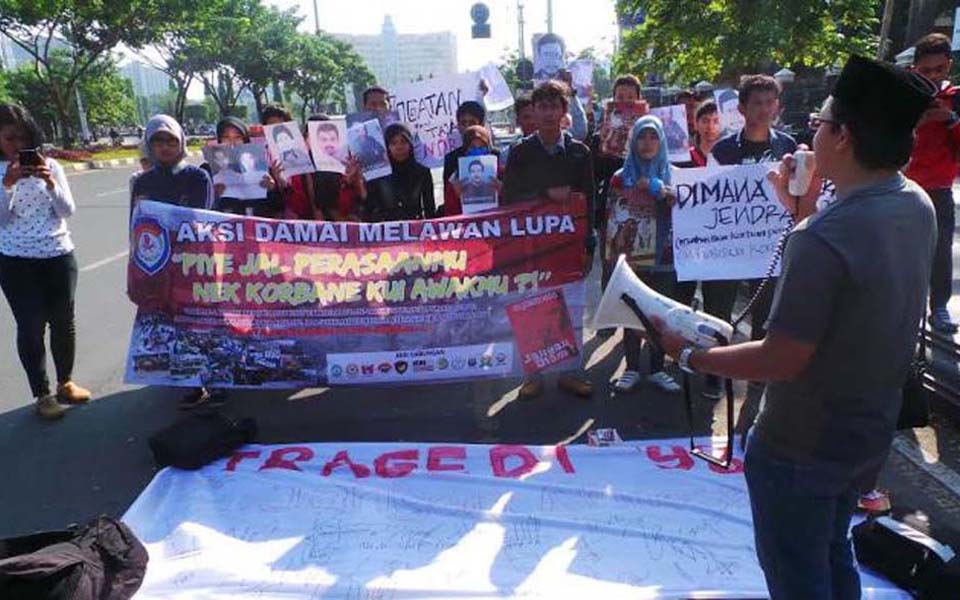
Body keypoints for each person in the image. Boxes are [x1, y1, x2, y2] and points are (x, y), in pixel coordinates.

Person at [654, 55, 937, 599]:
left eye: (821, 124)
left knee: (798, 576)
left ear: (843, 137)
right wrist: (801, 210)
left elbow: (781, 358)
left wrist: (690, 356)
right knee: (834, 551)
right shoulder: (915, 204)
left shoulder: (824, 236)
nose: (813, 136)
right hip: (867, 433)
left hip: (799, 446)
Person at [502, 80, 595, 399]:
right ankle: (533, 375)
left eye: (554, 106)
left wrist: (589, 246)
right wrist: (544, 195)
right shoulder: (520, 152)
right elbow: (509, 199)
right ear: (534, 111)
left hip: (570, 246)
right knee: (531, 307)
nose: (547, 112)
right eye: (541, 106)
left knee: (572, 307)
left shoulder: (580, 152)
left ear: (564, 111)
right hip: (532, 247)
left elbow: (589, 202)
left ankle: (570, 372)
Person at [0, 103, 90, 419]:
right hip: (16, 260)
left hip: (59, 254)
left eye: (24, 138)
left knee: (64, 321)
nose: (19, 146)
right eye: (11, 139)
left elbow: (67, 211)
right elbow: (1, 219)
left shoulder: (51, 165)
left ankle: (66, 382)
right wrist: (7, 186)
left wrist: (50, 182)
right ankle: (42, 394)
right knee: (31, 325)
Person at [131, 115, 215, 410]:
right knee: (170, 322)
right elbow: (137, 226)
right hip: (159, 265)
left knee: (201, 322)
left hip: (194, 263)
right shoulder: (142, 181)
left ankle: (213, 377)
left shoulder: (197, 177)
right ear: (149, 145)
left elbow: (199, 219)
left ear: (180, 142)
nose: (165, 147)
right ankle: (189, 382)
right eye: (157, 141)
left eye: (170, 140)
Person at [604, 115, 693, 393]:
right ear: (633, 141)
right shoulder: (621, 178)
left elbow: (689, 210)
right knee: (633, 313)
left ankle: (656, 368)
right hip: (632, 258)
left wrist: (665, 193)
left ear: (662, 141)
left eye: (653, 136)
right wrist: (612, 257)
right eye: (642, 136)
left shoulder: (675, 175)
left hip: (666, 257)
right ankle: (631, 368)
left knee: (660, 314)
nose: (647, 143)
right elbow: (611, 217)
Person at [906, 33, 960, 333]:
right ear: (914, 69)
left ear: (948, 67)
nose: (933, 77)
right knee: (900, 249)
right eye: (926, 71)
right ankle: (902, 305)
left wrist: (951, 119)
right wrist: (915, 121)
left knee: (939, 249)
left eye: (939, 70)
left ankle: (938, 305)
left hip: (938, 187)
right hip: (903, 185)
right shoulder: (903, 97)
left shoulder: (956, 98)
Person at [199, 117, 281, 218]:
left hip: (256, 228)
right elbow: (200, 210)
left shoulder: (261, 167)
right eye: (226, 137)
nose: (232, 142)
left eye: (237, 137)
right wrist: (214, 194)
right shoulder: (207, 170)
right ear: (219, 140)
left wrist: (272, 189)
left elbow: (277, 208)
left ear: (245, 140)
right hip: (224, 228)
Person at [360, 123, 435, 222]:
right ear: (387, 147)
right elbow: (368, 208)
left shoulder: (422, 172)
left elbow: (430, 210)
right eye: (394, 143)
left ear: (410, 144)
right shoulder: (379, 173)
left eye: (404, 142)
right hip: (386, 232)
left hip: (415, 231)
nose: (399, 147)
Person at [689, 101, 722, 167]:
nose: (710, 127)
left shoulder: (729, 156)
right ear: (696, 124)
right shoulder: (687, 157)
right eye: (705, 121)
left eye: (716, 121)